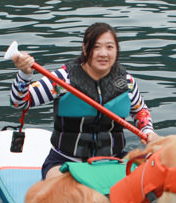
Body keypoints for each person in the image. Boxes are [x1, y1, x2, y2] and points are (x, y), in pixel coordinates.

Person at [9, 22, 156, 179]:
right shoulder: (63, 79)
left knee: (156, 176)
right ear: (85, 49)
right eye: (96, 47)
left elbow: (140, 111)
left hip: (114, 160)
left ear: (116, 50)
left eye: (109, 47)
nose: (103, 53)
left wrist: (148, 131)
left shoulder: (126, 82)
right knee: (68, 192)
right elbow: (20, 101)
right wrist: (25, 75)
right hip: (66, 161)